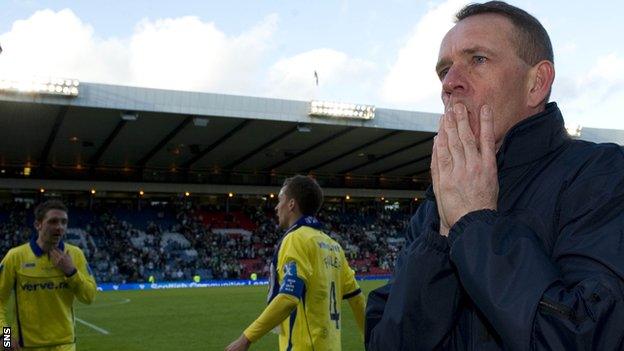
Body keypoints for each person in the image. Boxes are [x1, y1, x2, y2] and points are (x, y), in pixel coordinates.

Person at [365, 1, 624, 350]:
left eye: (478, 60)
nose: (450, 83)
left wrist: (474, 222)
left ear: (537, 83)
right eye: (444, 70)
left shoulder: (602, 175)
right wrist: (440, 240)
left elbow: (587, 338)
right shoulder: (435, 204)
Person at [226, 175, 366, 351]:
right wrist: (369, 339)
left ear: (291, 204)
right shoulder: (333, 246)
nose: (277, 207)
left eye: (280, 201)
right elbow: (358, 300)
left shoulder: (296, 239)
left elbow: (289, 297)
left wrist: (246, 338)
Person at [0, 200, 97, 350]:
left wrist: (71, 272)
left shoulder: (75, 254)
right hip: (26, 346)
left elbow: (89, 297)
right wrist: (5, 337)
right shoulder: (15, 257)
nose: (59, 227)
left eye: (64, 222)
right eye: (53, 221)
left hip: (65, 345)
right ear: (38, 224)